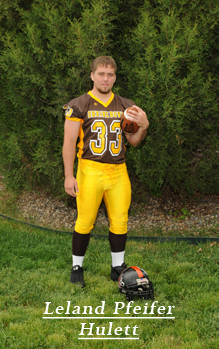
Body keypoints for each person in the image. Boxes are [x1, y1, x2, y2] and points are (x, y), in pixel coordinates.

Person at [62, 56, 149, 287]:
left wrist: (144, 125)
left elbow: (134, 141)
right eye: (101, 73)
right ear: (92, 75)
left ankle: (117, 267)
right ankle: (77, 267)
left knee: (120, 221)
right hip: (90, 170)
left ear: (115, 77)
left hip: (119, 171)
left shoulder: (125, 105)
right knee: (85, 221)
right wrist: (69, 175)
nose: (105, 78)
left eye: (110, 74)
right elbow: (69, 142)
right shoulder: (79, 104)